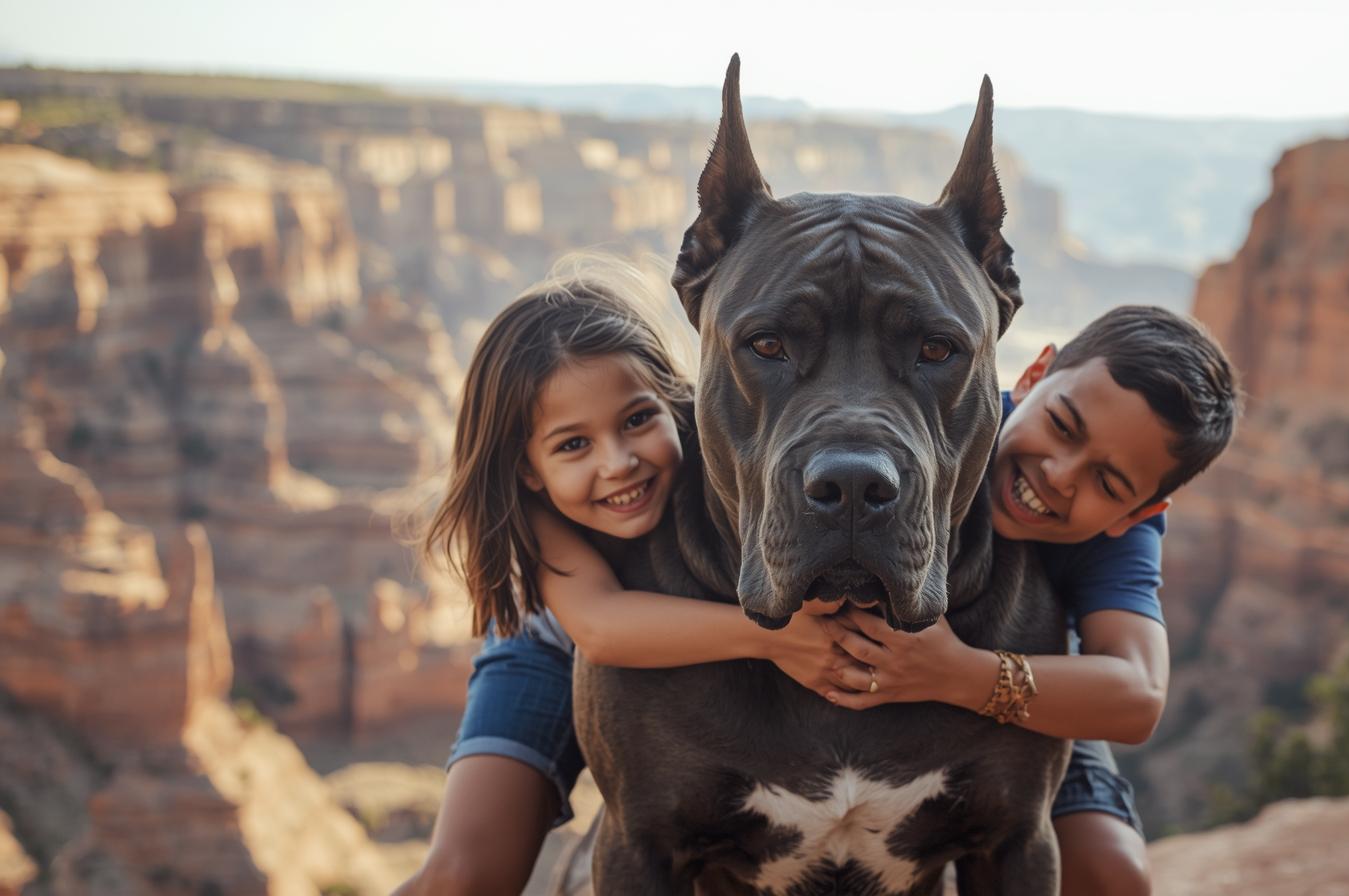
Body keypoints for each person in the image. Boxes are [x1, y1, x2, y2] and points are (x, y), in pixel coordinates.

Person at [397, 258, 839, 895]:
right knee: (464, 875)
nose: (619, 463)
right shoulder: (538, 515)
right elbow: (601, 628)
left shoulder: (718, 443)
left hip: (701, 620)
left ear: (674, 401)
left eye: (637, 419)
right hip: (553, 643)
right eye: (572, 445)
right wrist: (775, 635)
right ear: (527, 469)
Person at [819, 306, 1241, 896]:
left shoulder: (1117, 539)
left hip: (1014, 698)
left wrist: (959, 675)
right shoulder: (933, 419)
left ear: (1137, 514)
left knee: (1110, 872)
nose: (1061, 475)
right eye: (1064, 426)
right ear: (1034, 375)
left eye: (1109, 484)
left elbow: (1138, 696)